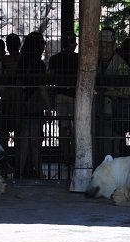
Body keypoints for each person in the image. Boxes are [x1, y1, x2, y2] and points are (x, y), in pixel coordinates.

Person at [15, 31, 50, 178]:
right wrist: (49, 105)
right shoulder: (39, 64)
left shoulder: (21, 62)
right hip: (34, 105)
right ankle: (40, 174)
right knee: (35, 142)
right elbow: (41, 87)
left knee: (23, 141)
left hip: (22, 104)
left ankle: (19, 173)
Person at [96, 27, 130, 159]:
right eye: (101, 46)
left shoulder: (121, 65)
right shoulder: (97, 63)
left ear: (114, 46)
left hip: (114, 113)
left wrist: (106, 92)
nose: (103, 49)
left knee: (112, 147)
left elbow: (127, 92)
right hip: (99, 112)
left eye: (107, 46)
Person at [47, 31, 79, 168]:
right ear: (71, 43)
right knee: (76, 127)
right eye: (74, 41)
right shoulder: (79, 58)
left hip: (60, 95)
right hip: (74, 96)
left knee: (63, 127)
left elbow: (50, 78)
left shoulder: (55, 59)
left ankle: (64, 156)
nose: (76, 44)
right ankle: (74, 155)